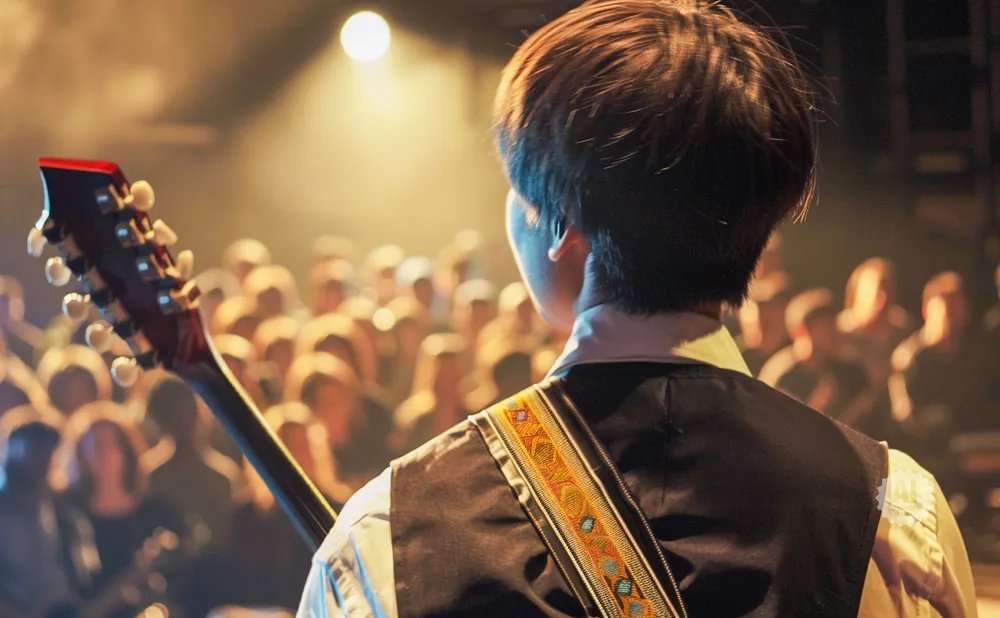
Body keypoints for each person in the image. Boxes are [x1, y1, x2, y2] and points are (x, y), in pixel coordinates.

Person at [299, 2, 976, 617]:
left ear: (560, 217)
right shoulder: (890, 516)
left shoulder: (396, 533)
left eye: (514, 187)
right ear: (759, 230)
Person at [61, 404, 188, 618]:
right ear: (80, 454)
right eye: (96, 445)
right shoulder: (69, 517)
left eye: (114, 444)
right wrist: (133, 575)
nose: (105, 453)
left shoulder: (157, 513)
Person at [0, 407, 97, 617]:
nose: (41, 459)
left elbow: (82, 584)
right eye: (33, 448)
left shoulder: (68, 518)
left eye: (48, 450)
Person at [142, 376, 242, 546]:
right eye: (176, 417)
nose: (184, 425)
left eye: (187, 415)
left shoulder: (222, 477)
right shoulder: (150, 477)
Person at [759, 289, 873, 425]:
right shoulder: (782, 376)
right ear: (802, 332)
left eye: (834, 326)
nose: (834, 334)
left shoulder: (847, 370)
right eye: (826, 329)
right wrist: (816, 407)